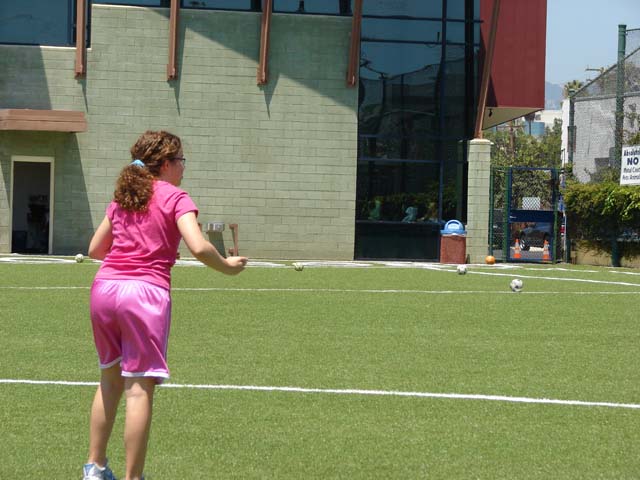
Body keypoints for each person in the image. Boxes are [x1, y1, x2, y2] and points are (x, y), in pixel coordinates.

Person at [83, 130, 247, 480]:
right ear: (167, 163)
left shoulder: (124, 197)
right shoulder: (176, 197)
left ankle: (94, 468)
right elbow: (199, 246)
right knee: (138, 389)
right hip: (144, 294)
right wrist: (228, 266)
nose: (184, 167)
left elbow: (96, 249)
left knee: (109, 381)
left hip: (105, 290)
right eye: (181, 160)